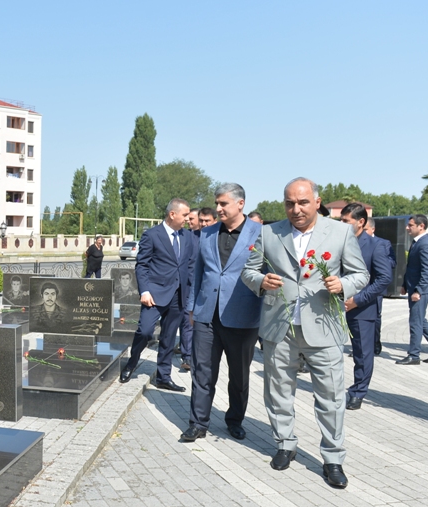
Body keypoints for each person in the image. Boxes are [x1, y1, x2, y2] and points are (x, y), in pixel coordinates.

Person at [241, 178, 368, 489]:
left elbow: (361, 274)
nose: (295, 209)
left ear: (316, 201)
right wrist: (260, 282)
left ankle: (333, 458)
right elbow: (248, 271)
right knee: (278, 391)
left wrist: (343, 285)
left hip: (323, 327)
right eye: (289, 203)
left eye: (302, 203)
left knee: (331, 397)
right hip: (279, 326)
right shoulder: (269, 232)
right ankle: (285, 444)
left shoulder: (340, 232)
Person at [180, 183, 262, 442]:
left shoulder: (260, 234)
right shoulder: (207, 234)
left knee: (239, 376)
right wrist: (192, 307)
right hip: (206, 316)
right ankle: (198, 423)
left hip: (242, 316)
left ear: (240, 204)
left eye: (223, 203)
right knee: (202, 372)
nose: (218, 208)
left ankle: (234, 420)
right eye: (217, 203)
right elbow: (199, 273)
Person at [120, 198, 196, 391]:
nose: (188, 219)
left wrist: (190, 294)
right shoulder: (152, 235)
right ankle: (132, 362)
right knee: (144, 331)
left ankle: (163, 377)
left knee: (169, 337)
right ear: (173, 214)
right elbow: (142, 265)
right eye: (185, 215)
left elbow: (190, 266)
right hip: (154, 295)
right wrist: (144, 290)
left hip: (178, 296)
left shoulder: (188, 237)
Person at [339, 204, 393, 410]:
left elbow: (383, 279)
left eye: (346, 221)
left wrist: (357, 300)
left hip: (361, 308)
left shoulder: (376, 246)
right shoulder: (338, 243)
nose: (342, 225)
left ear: (360, 222)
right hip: (335, 305)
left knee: (362, 353)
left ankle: (358, 391)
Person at [397, 215, 428, 365]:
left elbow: (427, 271)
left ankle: (414, 355)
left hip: (422, 289)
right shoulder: (417, 242)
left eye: (411, 225)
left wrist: (418, 290)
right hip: (415, 287)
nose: (407, 227)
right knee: (419, 319)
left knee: (415, 321)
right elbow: (412, 267)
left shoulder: (426, 244)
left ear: (421, 226)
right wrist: (405, 284)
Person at [365, 219, 396, 355]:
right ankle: (362, 345)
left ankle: (375, 343)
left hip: (376, 285)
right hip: (360, 286)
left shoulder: (383, 243)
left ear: (373, 229)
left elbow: (392, 262)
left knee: (375, 317)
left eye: (366, 229)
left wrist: (377, 261)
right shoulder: (355, 242)